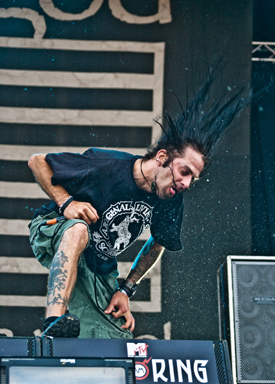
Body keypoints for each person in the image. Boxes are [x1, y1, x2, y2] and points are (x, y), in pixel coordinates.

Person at [28, 67, 249, 338]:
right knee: (78, 229)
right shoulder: (105, 165)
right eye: (184, 172)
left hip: (97, 267)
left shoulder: (170, 199)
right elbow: (37, 161)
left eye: (194, 179)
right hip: (53, 228)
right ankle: (53, 319)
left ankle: (65, 338)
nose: (186, 184)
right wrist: (67, 203)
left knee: (118, 342)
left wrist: (126, 288)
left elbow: (159, 242)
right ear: (161, 158)